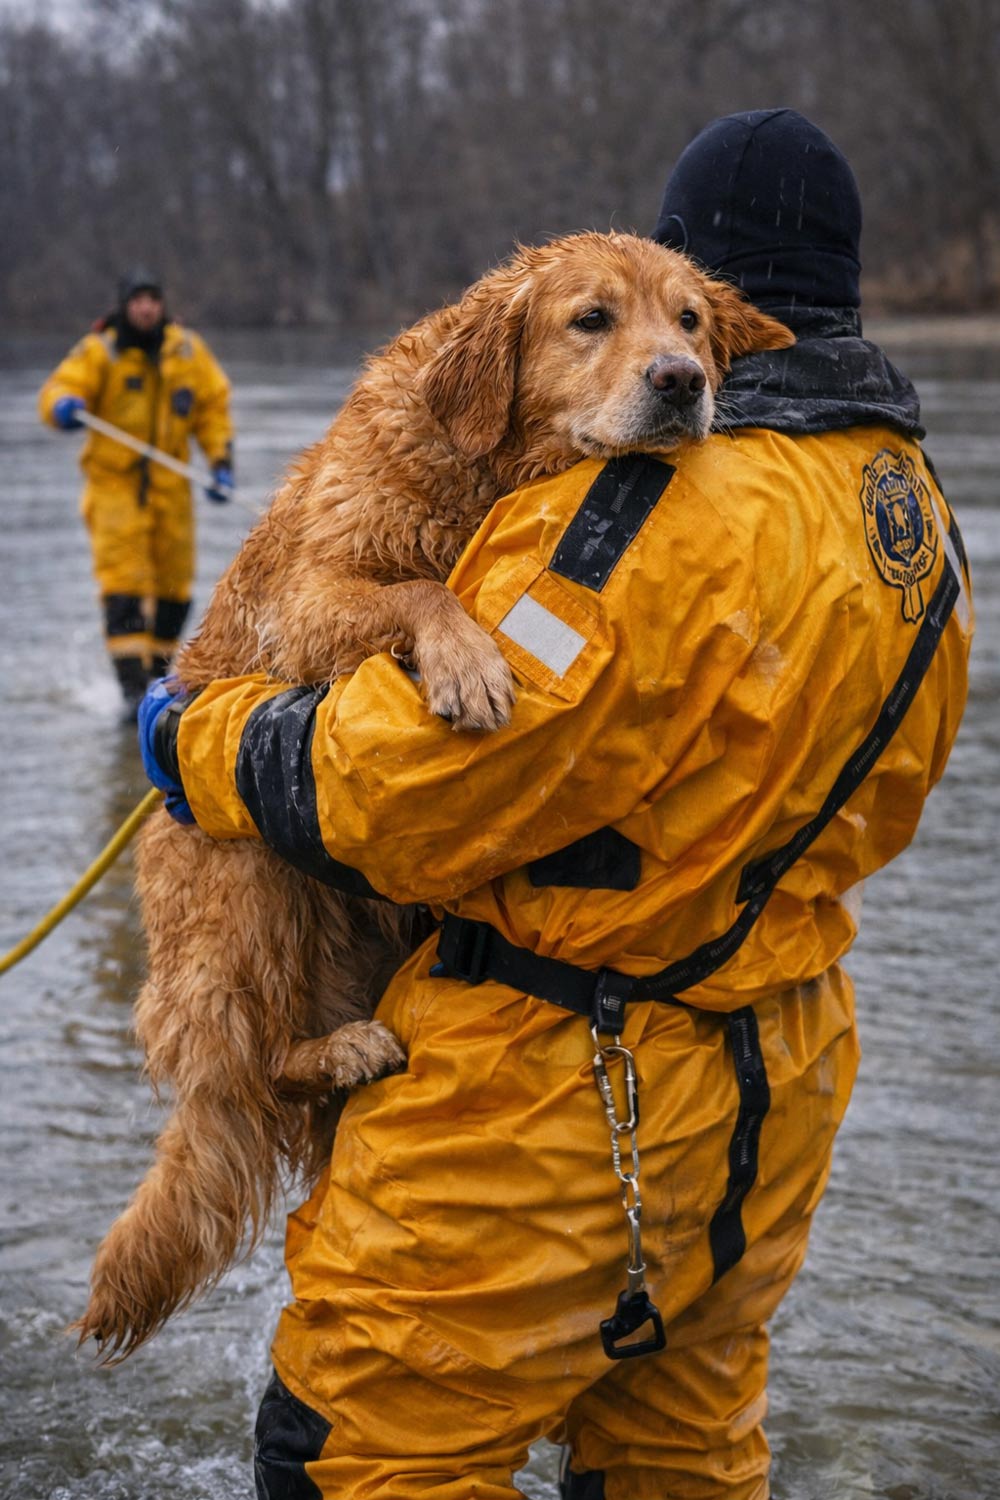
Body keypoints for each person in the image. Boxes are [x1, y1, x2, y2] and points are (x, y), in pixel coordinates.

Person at [137, 111, 972, 1500]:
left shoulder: (638, 512)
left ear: (710, 295)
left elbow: (401, 796)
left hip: (548, 1123)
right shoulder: (915, 518)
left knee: (360, 1457)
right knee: (677, 1463)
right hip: (773, 1111)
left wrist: (202, 743)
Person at [39, 268, 234, 718]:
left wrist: (221, 462)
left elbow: (212, 407)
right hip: (115, 486)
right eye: (137, 300)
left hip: (171, 485)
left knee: (175, 585)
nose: (146, 308)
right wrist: (63, 407)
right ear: (125, 305)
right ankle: (131, 692)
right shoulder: (101, 351)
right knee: (123, 582)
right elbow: (58, 389)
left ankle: (158, 675)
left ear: (162, 304)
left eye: (153, 299)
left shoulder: (186, 351)